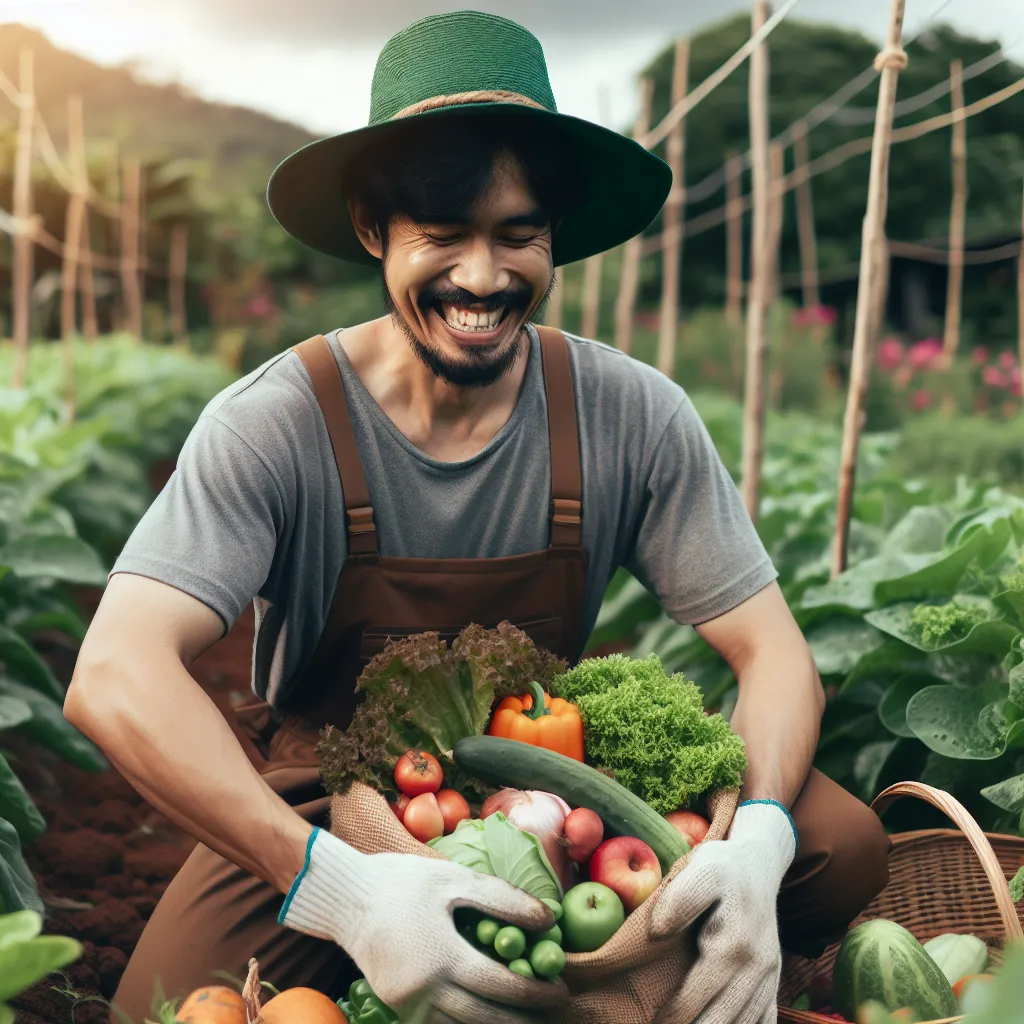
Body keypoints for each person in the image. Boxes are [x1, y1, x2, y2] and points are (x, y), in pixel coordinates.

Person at [66, 11, 890, 1024]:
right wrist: (340, 888)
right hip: (331, 799)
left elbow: (772, 654)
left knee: (835, 847)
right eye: (443, 234)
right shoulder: (278, 422)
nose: (483, 276)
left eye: (517, 234)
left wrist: (757, 835)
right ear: (375, 233)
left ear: (554, 237)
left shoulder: (627, 412)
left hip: (562, 795)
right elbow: (113, 673)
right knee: (170, 996)